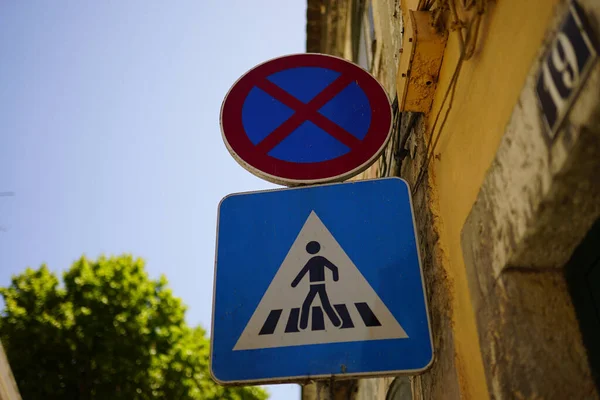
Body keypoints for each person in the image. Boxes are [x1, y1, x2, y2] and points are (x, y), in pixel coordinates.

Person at [291, 240, 341, 329]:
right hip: (319, 286)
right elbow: (334, 268)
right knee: (325, 304)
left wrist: (295, 283)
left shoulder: (313, 260)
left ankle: (303, 325)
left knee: (307, 304)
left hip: (315, 286)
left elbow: (302, 272)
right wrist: (335, 278)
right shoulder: (320, 259)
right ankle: (336, 322)